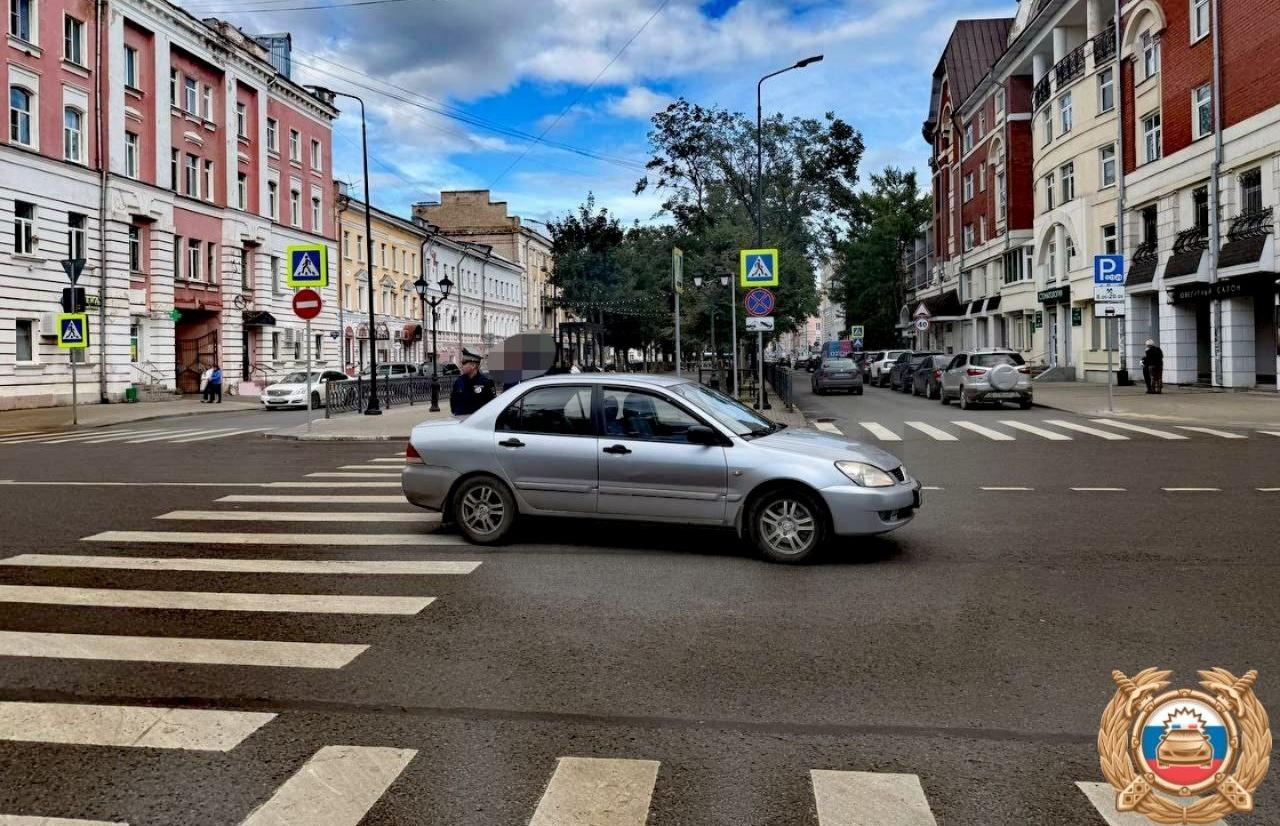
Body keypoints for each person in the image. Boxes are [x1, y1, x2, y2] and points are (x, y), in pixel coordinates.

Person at [449, 347, 495, 416]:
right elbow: (453, 402)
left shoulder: (486, 383)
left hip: (477, 423)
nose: (461, 365)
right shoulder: (459, 381)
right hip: (460, 421)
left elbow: (492, 405)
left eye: (464, 363)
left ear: (473, 366)